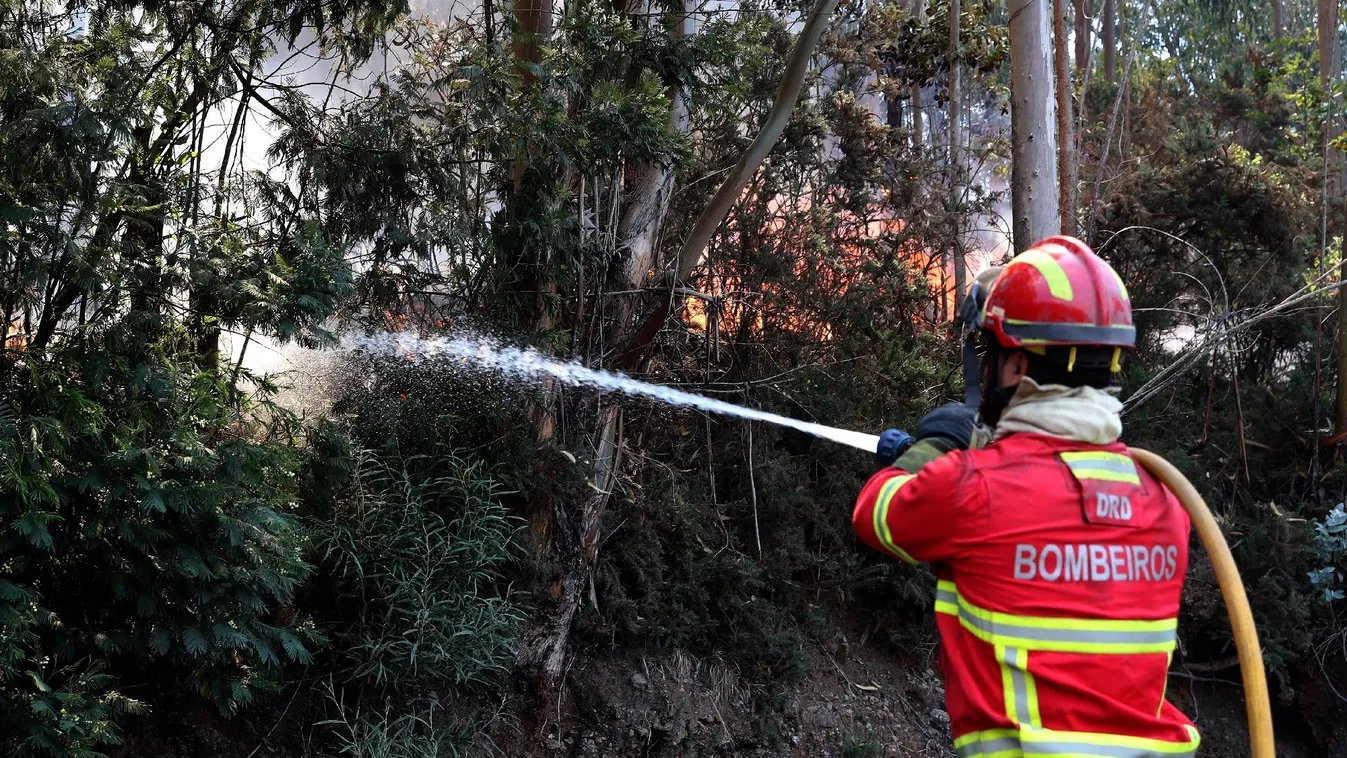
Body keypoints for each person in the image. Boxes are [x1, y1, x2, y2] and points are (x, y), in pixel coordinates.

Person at [854, 236, 1200, 758]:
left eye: (992, 356)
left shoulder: (975, 489)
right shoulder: (1165, 503)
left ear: (1016, 367)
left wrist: (935, 449)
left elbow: (875, 514)